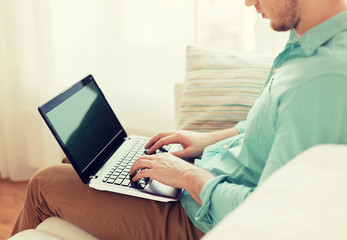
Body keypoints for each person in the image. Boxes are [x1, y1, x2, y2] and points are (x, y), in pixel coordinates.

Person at [12, 0, 347, 239]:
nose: (247, 3)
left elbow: (272, 213)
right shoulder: (308, 44)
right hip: (204, 181)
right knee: (85, 165)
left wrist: (188, 177)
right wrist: (206, 140)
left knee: (44, 183)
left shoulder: (322, 78)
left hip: (200, 219)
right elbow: (267, 130)